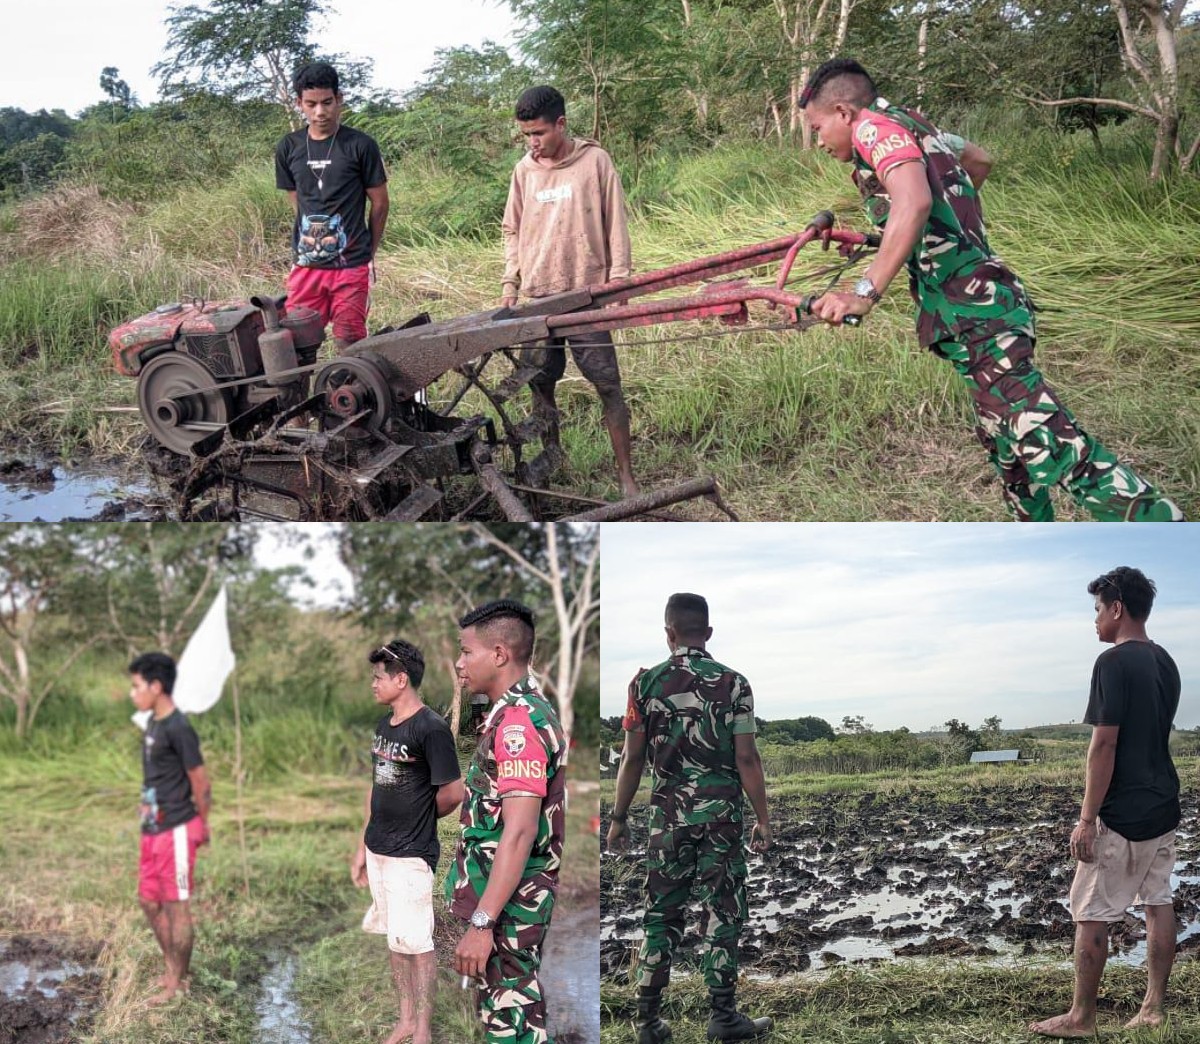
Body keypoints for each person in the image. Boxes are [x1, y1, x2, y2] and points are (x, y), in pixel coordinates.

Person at [800, 58, 1183, 522]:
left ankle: (1165, 525)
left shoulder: (871, 129)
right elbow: (978, 160)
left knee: (1056, 447)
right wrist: (932, 235)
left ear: (843, 112)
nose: (818, 141)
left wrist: (863, 292)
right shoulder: (920, 127)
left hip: (979, 316)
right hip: (980, 312)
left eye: (817, 127)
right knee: (1009, 451)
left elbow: (915, 199)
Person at [607, 593, 772, 1042]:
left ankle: (647, 1023)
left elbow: (632, 758)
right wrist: (763, 819)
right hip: (720, 820)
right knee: (722, 912)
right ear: (709, 633)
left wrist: (618, 817)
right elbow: (747, 758)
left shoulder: (644, 685)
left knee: (661, 916)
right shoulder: (734, 684)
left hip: (667, 821)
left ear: (669, 634)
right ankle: (722, 1017)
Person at [1030, 566, 1181, 1038]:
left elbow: (1104, 746)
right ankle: (1152, 1007)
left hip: (1122, 813)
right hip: (1163, 804)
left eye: (1097, 609)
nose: (1095, 620)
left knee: (1091, 912)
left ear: (1117, 608)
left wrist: (1087, 819)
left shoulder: (1112, 664)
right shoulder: (1166, 661)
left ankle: (1081, 1017)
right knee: (1159, 901)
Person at [501, 85, 639, 498]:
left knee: (607, 386)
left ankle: (627, 477)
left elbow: (616, 218)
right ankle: (553, 455)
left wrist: (621, 277)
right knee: (540, 383)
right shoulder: (524, 171)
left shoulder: (594, 162)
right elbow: (512, 228)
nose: (533, 143)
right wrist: (511, 280)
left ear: (561, 124)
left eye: (539, 133)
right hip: (539, 295)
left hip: (586, 292)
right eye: (526, 135)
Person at [447, 599, 566, 1044]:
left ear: (499, 654)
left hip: (511, 905)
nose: (459, 663)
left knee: (512, 1017)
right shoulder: (510, 713)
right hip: (504, 898)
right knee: (504, 1008)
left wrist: (482, 923)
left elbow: (519, 831)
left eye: (465, 651)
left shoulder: (518, 723)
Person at [351, 639, 464, 1044]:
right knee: (396, 938)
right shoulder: (384, 728)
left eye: (379, 677)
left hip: (411, 854)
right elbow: (376, 786)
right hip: (378, 848)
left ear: (401, 679)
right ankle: (404, 1019)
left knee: (417, 943)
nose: (373, 684)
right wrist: (361, 848)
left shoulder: (430, 728)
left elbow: (452, 792)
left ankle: (423, 1028)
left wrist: (419, 817)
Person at [275, 62, 389, 351]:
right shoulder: (289, 147)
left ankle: (347, 393)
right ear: (298, 102)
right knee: (299, 345)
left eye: (327, 102)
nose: (320, 112)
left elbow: (379, 203)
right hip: (306, 267)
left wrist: (367, 252)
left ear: (339, 99)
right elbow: (297, 202)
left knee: (349, 342)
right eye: (311, 104)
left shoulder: (361, 145)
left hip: (350, 266)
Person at [130, 651, 211, 1006]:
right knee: (149, 901)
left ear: (156, 686)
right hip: (153, 827)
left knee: (177, 907)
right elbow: (161, 775)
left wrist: (202, 824)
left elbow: (200, 780)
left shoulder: (179, 727)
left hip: (177, 828)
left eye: (136, 686)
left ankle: (176, 982)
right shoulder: (153, 722)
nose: (133, 694)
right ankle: (173, 967)